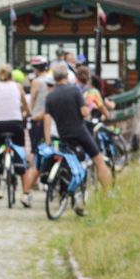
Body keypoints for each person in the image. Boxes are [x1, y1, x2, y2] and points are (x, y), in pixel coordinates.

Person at [43, 63, 114, 212]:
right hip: (80, 132)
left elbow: (47, 121)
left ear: (54, 78)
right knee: (99, 160)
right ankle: (109, 193)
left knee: (70, 162)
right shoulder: (74, 91)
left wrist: (48, 141)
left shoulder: (50, 97)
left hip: (63, 135)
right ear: (67, 76)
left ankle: (71, 194)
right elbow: (84, 113)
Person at [0, 63, 31, 205]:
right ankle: (25, 194)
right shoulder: (18, 87)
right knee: (20, 156)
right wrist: (24, 114)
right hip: (16, 124)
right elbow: (26, 108)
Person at [19, 56, 55, 207]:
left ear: (35, 69)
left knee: (34, 149)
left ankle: (33, 180)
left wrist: (27, 113)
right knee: (49, 145)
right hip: (51, 118)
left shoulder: (36, 82)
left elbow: (32, 101)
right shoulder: (52, 80)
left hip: (37, 119)